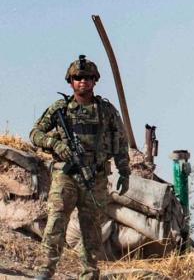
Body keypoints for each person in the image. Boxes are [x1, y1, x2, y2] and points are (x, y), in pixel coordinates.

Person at [29, 55, 131, 280]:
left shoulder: (106, 110)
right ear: (71, 81)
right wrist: (54, 143)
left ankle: (89, 274)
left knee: (92, 231)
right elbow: (35, 134)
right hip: (66, 177)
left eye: (87, 78)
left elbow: (120, 142)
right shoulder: (60, 109)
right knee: (56, 221)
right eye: (78, 77)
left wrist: (125, 171)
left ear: (94, 81)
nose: (82, 81)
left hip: (95, 177)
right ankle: (45, 270)